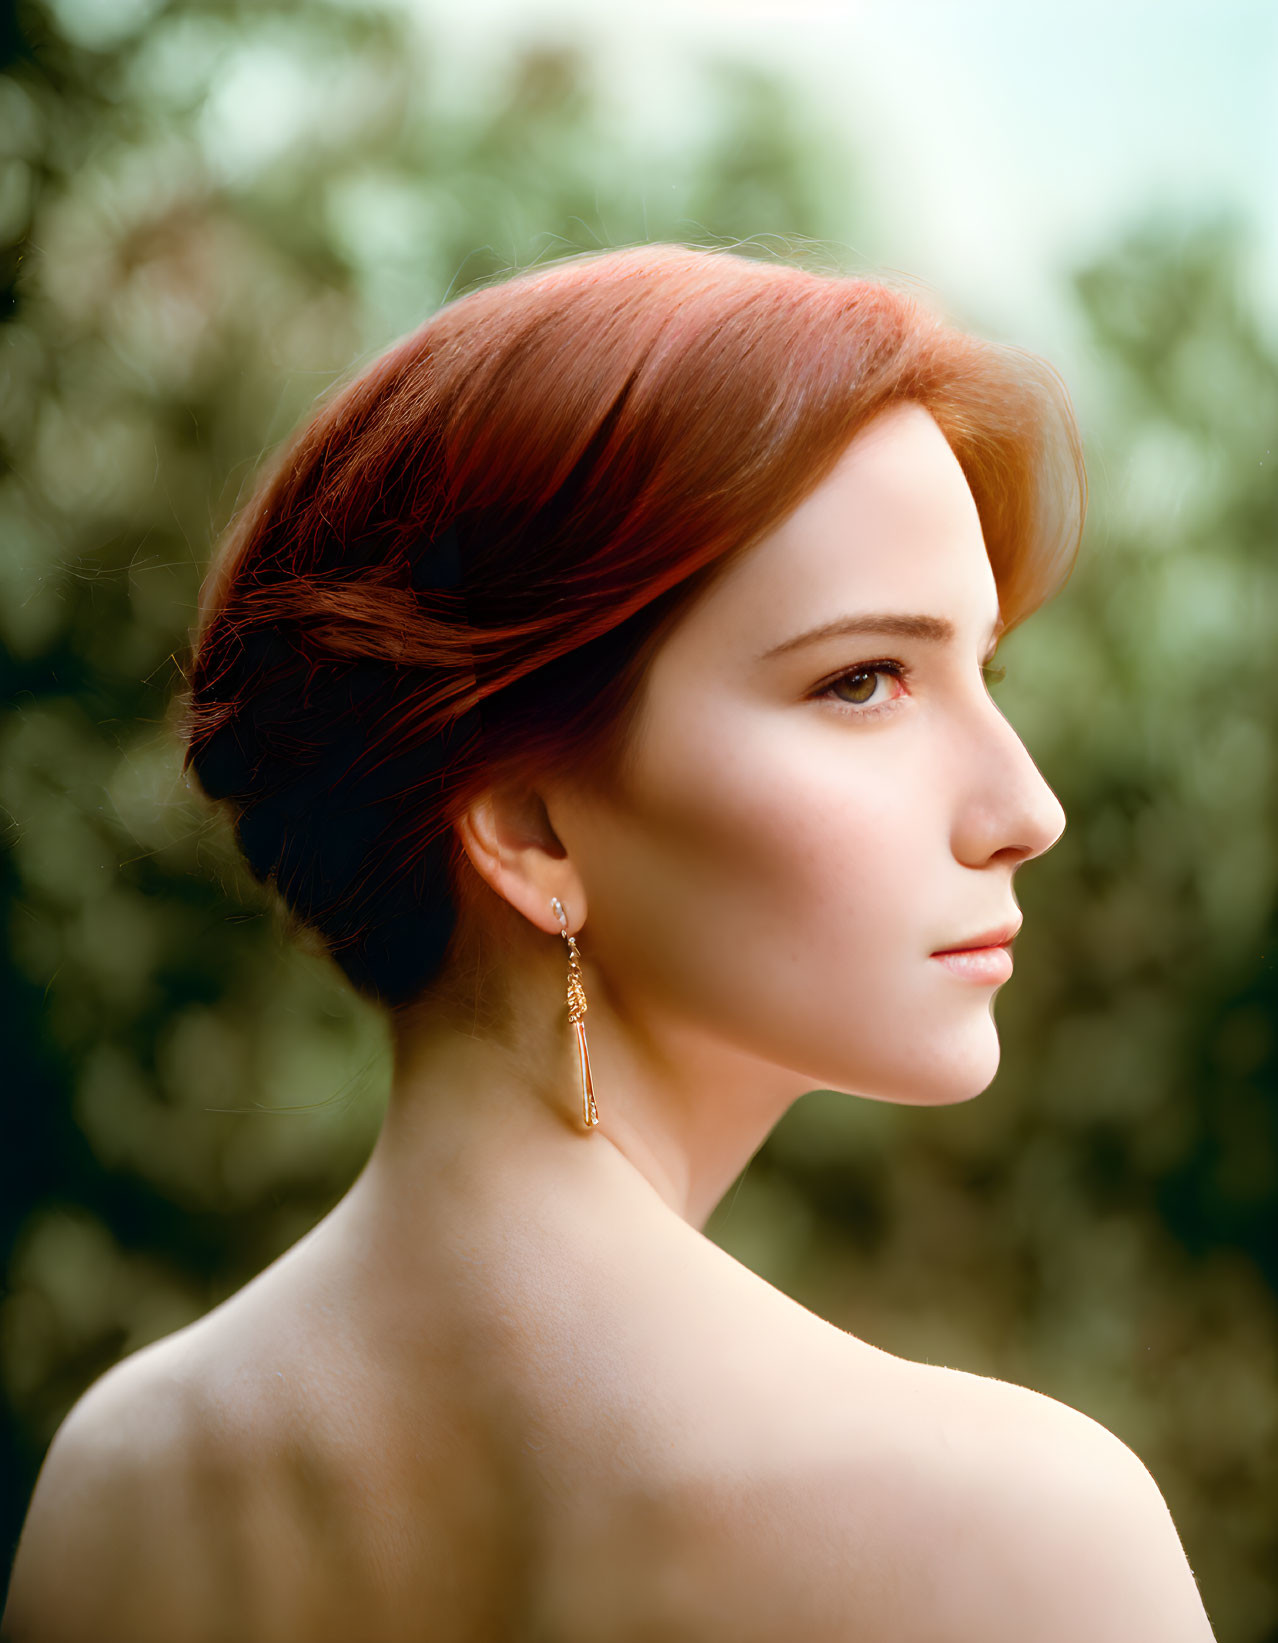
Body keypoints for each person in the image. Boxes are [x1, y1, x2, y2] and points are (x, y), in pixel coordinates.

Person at [2, 244, 1216, 1643]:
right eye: (863, 680)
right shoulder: (1023, 1535)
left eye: (977, 673)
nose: (1026, 810)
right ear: (526, 824)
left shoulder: (122, 1480)